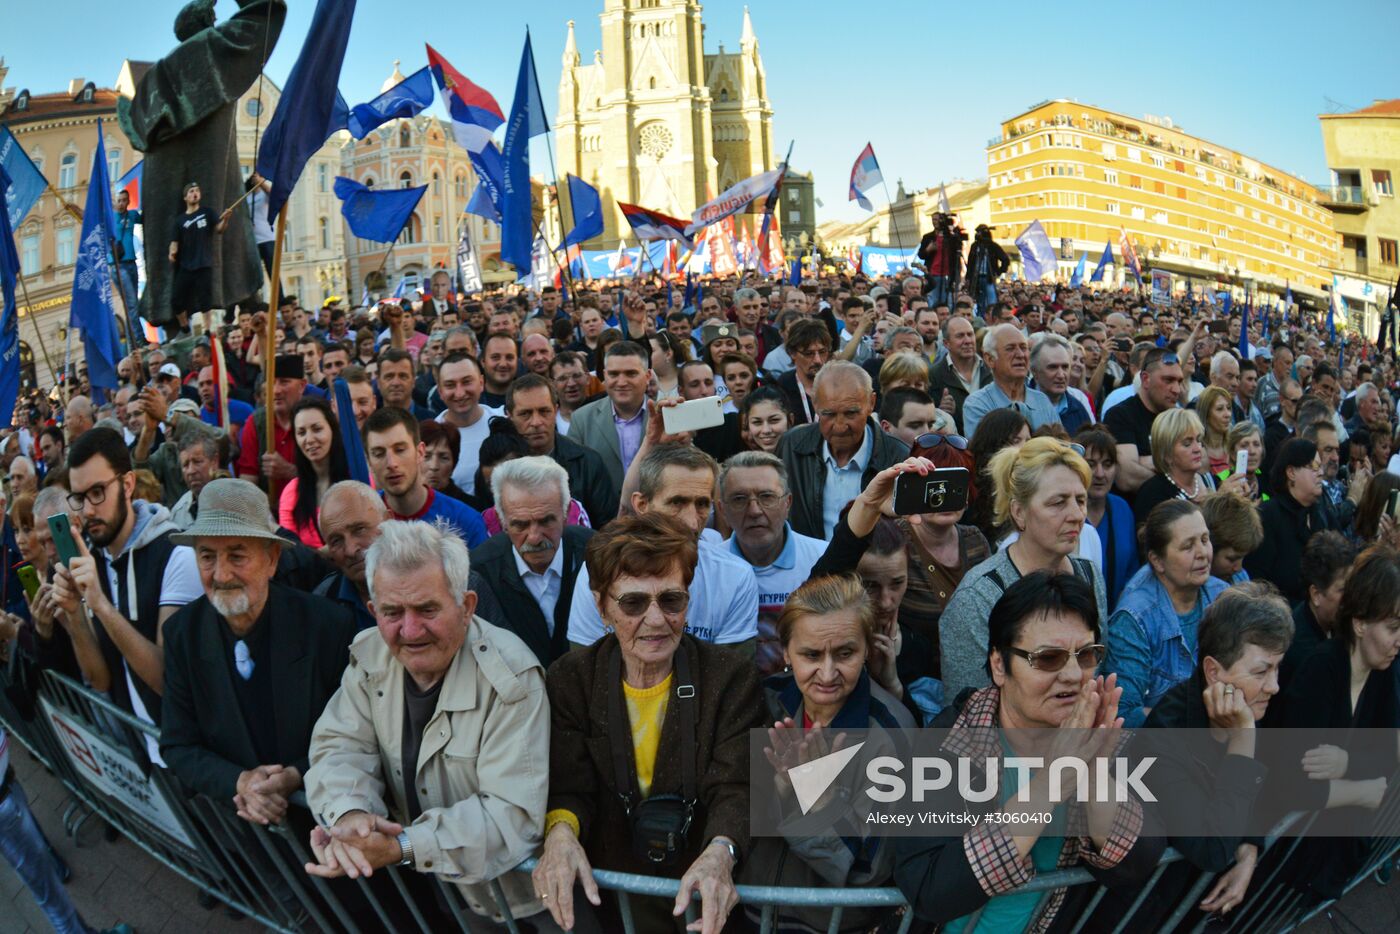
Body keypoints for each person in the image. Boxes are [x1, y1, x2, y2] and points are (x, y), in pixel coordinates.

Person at [304, 519, 553, 926]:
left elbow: (511, 814)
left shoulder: (512, 678)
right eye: (392, 612)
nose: (410, 630)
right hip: (445, 888)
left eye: (427, 609)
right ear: (373, 611)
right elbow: (339, 745)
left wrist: (401, 846)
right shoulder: (370, 656)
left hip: (523, 900)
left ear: (467, 605)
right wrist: (349, 815)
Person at [532, 513, 761, 934]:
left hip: (704, 898)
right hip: (612, 898)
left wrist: (720, 853)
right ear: (602, 605)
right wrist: (560, 836)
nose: (656, 620)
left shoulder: (730, 678)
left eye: (671, 600)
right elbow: (569, 784)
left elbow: (736, 786)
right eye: (634, 603)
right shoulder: (571, 679)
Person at [895, 572, 1161, 931]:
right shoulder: (948, 743)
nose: (1072, 675)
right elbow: (928, 887)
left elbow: (1137, 864)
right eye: (1048, 658)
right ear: (999, 666)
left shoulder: (1100, 735)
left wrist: (1095, 774)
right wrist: (1052, 783)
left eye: (1086, 655)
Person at [159, 478, 356, 828]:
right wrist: (239, 781)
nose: (220, 574)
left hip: (327, 829)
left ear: (271, 559)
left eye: (237, 555)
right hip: (242, 839)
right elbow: (178, 746)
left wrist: (296, 774)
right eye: (207, 556)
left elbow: (354, 734)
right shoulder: (181, 636)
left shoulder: (326, 626)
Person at [742, 575, 915, 932]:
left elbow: (870, 871)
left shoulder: (892, 736)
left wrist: (819, 802)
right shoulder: (761, 704)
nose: (827, 672)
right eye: (811, 654)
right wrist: (778, 794)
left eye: (845, 653)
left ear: (867, 648)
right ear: (785, 651)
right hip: (750, 918)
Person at [1138, 583, 1292, 917]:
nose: (1274, 685)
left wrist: (1249, 851)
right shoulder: (1163, 738)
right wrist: (1242, 741)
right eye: (1262, 670)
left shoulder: (1244, 710)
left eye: (1278, 667)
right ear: (1213, 671)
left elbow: (1263, 791)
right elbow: (1212, 848)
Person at [1267, 545, 1400, 899]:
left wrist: (1348, 762)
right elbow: (1290, 782)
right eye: (1392, 628)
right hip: (1286, 865)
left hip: (1334, 854)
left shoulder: (1382, 671)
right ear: (1359, 623)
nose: (1398, 641)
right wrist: (1361, 790)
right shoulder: (1320, 671)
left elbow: (1390, 752)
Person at [50, 428, 202, 732]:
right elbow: (100, 680)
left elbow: (166, 679)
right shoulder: (93, 560)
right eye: (79, 498)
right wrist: (74, 613)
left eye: (97, 492)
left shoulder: (176, 555)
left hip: (187, 754)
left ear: (128, 484)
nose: (89, 510)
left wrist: (100, 604)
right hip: (139, 753)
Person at [939, 437, 1109, 699]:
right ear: (1019, 512)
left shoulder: (1089, 575)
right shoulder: (977, 598)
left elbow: (1097, 670)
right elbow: (965, 711)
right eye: (1058, 502)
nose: (1077, 515)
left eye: (1081, 500)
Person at [568, 444, 758, 650]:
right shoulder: (599, 570)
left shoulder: (734, 576)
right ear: (641, 505)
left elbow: (733, 674)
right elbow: (587, 669)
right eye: (677, 503)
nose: (693, 523)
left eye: (702, 504)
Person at [1105, 500, 1230, 727]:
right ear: (1157, 561)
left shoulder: (1223, 596)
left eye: (1204, 539)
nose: (1202, 553)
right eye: (1188, 546)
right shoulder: (1134, 618)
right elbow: (1123, 713)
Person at [470, 457, 593, 668]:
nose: (534, 537)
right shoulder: (480, 572)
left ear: (565, 514)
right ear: (502, 522)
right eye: (520, 525)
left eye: (546, 521)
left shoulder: (595, 556)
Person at [715, 452, 826, 672]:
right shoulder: (709, 569)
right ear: (722, 510)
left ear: (788, 503)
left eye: (767, 496)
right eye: (739, 499)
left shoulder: (822, 558)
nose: (754, 511)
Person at [778, 361, 909, 539]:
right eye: (829, 414)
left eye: (851, 413)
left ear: (871, 403)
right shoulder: (791, 447)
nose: (840, 427)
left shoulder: (898, 457)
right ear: (814, 404)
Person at [505, 374, 620, 527]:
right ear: (509, 416)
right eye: (525, 414)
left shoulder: (588, 463)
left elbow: (608, 529)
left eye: (544, 411)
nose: (536, 422)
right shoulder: (499, 466)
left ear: (555, 410)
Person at [363, 408, 487, 547]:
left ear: (420, 452)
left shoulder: (466, 522)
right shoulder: (361, 521)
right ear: (368, 461)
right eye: (379, 454)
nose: (391, 463)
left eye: (400, 450)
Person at [1243, 439, 1329, 603]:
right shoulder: (1268, 515)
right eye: (1314, 467)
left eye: (1321, 467)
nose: (1320, 473)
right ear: (1291, 472)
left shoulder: (1321, 512)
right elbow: (1257, 580)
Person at [567, 341, 653, 493]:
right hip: (604, 515)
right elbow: (574, 478)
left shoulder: (665, 417)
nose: (621, 382)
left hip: (656, 514)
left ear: (647, 376)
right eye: (613, 374)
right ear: (604, 375)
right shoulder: (581, 420)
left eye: (631, 373)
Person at [1279, 531, 1356, 691]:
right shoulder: (1301, 653)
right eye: (1342, 590)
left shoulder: (1333, 625)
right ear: (1316, 594)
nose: (1352, 597)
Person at [1132, 409, 1233, 526]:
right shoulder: (1152, 494)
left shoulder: (1211, 481)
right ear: (1166, 454)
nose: (1197, 448)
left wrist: (1233, 500)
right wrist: (1217, 502)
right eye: (1187, 443)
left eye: (1199, 440)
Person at [1105, 347, 1185, 493]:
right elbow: (1127, 477)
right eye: (1168, 380)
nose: (1177, 390)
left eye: (1179, 381)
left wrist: (1145, 461)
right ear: (1145, 379)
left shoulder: (1179, 418)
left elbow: (1202, 463)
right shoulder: (1120, 415)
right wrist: (1178, 479)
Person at [1077, 426, 1139, 607]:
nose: (1100, 474)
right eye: (1091, 464)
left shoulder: (1122, 508)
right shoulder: (1067, 512)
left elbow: (1132, 570)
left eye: (1107, 464)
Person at [961, 324, 1059, 439]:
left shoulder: (1042, 401)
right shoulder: (978, 405)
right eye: (1010, 348)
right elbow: (986, 453)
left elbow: (1060, 447)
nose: (1020, 355)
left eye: (1023, 348)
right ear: (990, 359)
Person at [278, 398, 351, 548]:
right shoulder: (291, 492)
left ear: (332, 429)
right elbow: (291, 551)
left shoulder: (358, 479)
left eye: (317, 429)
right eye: (301, 432)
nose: (309, 439)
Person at [235, 354, 310, 490]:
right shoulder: (256, 423)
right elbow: (248, 478)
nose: (276, 391)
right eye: (271, 383)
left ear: (302, 386)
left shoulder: (315, 418)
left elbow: (327, 477)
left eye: (284, 382)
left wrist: (290, 471)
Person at [433, 352, 502, 497]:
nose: (459, 393)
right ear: (440, 391)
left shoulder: (502, 423)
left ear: (481, 383)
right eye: (450, 385)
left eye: (466, 382)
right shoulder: (430, 438)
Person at [168, 181, 231, 332]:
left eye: (197, 190)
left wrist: (226, 219)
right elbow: (174, 242)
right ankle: (184, 325)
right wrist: (172, 252)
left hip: (204, 264)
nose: (194, 193)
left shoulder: (207, 213)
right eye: (191, 191)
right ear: (185, 197)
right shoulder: (180, 220)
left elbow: (219, 229)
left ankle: (207, 329)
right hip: (186, 266)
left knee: (205, 300)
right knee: (176, 299)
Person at [964, 408, 1032, 544]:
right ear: (995, 444)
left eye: (1028, 441)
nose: (1024, 448)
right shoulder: (970, 491)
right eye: (1016, 441)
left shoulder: (1030, 484)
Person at [775, 319, 834, 426]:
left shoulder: (838, 384)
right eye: (809, 353)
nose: (818, 360)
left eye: (822, 352)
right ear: (792, 353)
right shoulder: (782, 386)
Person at [1031, 334, 1092, 434]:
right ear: (1035, 372)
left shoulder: (1078, 409)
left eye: (1065, 367)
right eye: (1052, 367)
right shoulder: (1020, 408)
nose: (1061, 375)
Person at [1199, 490, 1263, 585]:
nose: (1238, 568)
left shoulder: (1240, 577)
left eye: (1242, 558)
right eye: (1231, 559)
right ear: (1210, 546)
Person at [169, 432, 222, 531]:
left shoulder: (236, 502)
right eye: (185, 465)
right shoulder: (178, 513)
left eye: (197, 462)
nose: (191, 471)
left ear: (214, 461)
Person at [739, 386, 792, 454]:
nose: (766, 430)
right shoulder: (742, 464)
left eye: (774, 420)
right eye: (757, 422)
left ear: (790, 420)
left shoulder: (807, 460)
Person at [1197, 385, 1234, 476]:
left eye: (1228, 408)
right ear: (1206, 414)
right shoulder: (1197, 452)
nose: (1227, 414)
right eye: (1220, 409)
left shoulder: (1235, 447)